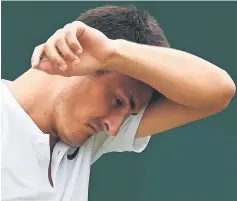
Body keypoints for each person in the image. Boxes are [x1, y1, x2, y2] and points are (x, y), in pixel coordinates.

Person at [1, 5, 236, 201]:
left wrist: (113, 53)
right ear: (80, 59)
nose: (113, 128)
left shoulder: (90, 133)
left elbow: (219, 92)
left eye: (128, 114)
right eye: (118, 101)